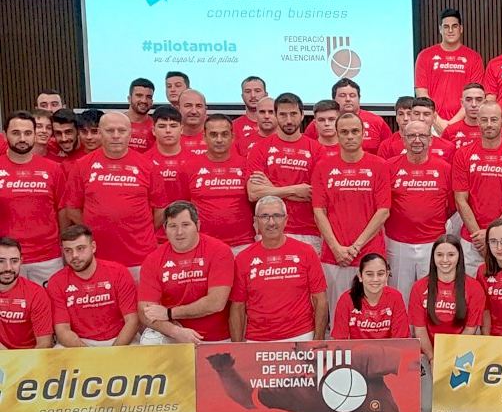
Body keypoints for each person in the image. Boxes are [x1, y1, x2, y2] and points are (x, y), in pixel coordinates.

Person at [63, 112, 167, 281]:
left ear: (130, 133)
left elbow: (161, 209)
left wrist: (141, 230)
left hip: (140, 256)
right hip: (98, 257)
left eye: (122, 130)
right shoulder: (82, 166)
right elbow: (72, 209)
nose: (116, 136)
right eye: (110, 130)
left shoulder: (148, 166)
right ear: (100, 133)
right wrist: (92, 230)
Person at [312, 112, 391, 309]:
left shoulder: (379, 165)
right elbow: (319, 211)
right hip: (334, 256)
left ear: (363, 133)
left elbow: (383, 211)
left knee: (373, 313)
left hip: (370, 254)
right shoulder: (323, 167)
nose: (350, 136)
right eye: (344, 132)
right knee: (338, 312)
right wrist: (336, 248)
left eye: (355, 131)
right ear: (337, 134)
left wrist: (356, 247)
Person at [229, 196, 327, 342]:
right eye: (264, 216)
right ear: (255, 221)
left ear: (286, 219)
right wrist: (237, 348)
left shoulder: (306, 252)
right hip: (258, 340)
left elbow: (320, 300)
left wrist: (318, 339)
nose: (271, 222)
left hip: (301, 336)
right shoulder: (243, 258)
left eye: (277, 216)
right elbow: (237, 307)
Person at [137, 201, 235, 344]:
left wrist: (170, 313)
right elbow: (145, 311)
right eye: (173, 226)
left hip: (215, 337)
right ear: (164, 228)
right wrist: (175, 331)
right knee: (150, 340)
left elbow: (216, 302)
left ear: (198, 225)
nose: (179, 232)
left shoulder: (219, 251)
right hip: (174, 333)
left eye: (185, 225)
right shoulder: (153, 260)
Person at [409, 234, 485, 411]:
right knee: (427, 408)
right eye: (439, 255)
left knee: (455, 406)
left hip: (460, 353)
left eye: (451, 255)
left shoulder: (474, 288)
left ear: (459, 257)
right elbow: (419, 330)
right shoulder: (419, 287)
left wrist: (449, 358)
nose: (445, 260)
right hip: (428, 354)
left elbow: (470, 330)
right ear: (433, 257)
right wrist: (433, 358)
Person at [245, 92, 324, 254]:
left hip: (308, 232)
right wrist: (295, 190)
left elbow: (316, 194)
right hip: (269, 231)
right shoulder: (260, 149)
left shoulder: (317, 150)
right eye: (283, 114)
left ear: (302, 115)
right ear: (275, 115)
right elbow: (253, 193)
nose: (288, 120)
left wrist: (271, 189)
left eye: (293, 114)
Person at [453, 101, 502, 275]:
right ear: (478, 121)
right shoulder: (463, 154)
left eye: (494, 119)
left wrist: (492, 235)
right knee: (472, 290)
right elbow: (460, 200)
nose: (489, 124)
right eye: (484, 120)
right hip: (473, 239)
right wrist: (480, 237)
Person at [386, 119, 454, 300]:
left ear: (431, 140)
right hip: (398, 244)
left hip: (433, 242)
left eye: (422, 135)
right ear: (403, 139)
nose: (417, 140)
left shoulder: (445, 169)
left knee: (431, 296)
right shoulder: (389, 167)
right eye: (412, 136)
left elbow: (452, 205)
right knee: (400, 296)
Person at [1, 111, 67, 284]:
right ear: (5, 134)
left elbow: (63, 210)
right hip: (6, 258)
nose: (22, 138)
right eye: (16, 133)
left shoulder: (54, 169)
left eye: (28, 133)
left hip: (48, 258)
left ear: (34, 135)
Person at [46, 224, 139, 347]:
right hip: (79, 343)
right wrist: (88, 354)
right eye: (68, 250)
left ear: (93, 247)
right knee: (57, 354)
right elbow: (62, 330)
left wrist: (114, 352)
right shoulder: (56, 282)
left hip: (119, 338)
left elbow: (132, 320)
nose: (74, 255)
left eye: (80, 248)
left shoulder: (118, 272)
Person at [183, 115, 254, 253]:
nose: (219, 140)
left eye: (225, 134)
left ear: (232, 137)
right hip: (204, 244)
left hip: (243, 243)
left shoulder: (246, 165)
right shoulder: (189, 167)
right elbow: (183, 206)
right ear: (204, 137)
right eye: (213, 134)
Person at [415, 8, 485, 128]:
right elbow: (421, 93)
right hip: (431, 123)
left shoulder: (474, 58)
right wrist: (438, 122)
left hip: (464, 124)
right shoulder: (425, 56)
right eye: (446, 27)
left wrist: (452, 125)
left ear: (461, 29)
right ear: (440, 29)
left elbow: (475, 95)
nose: (450, 30)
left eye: (454, 26)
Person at [331, 253, 411, 339]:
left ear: (387, 275)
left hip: (389, 348)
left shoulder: (395, 297)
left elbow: (400, 339)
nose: (375, 279)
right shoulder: (346, 299)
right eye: (369, 274)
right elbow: (340, 340)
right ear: (360, 276)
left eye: (380, 274)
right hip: (357, 348)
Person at [303, 79, 391, 153]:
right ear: (333, 99)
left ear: (359, 98)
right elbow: (305, 148)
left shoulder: (376, 121)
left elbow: (388, 149)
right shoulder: (320, 123)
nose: (348, 99)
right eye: (342, 96)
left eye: (352, 95)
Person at [0, 237, 53, 349]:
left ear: (21, 261)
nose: (8, 268)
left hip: (29, 355)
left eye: (14, 261)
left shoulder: (36, 293)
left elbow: (44, 343)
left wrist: (26, 360)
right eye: (1, 261)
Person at [147, 105, 189, 205]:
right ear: (153, 130)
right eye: (162, 126)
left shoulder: (194, 161)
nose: (168, 130)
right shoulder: (143, 162)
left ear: (181, 129)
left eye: (173, 126)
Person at [177, 89, 209, 155]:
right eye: (188, 106)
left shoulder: (219, 138)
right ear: (178, 109)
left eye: (199, 106)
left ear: (205, 110)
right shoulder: (167, 138)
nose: (193, 111)